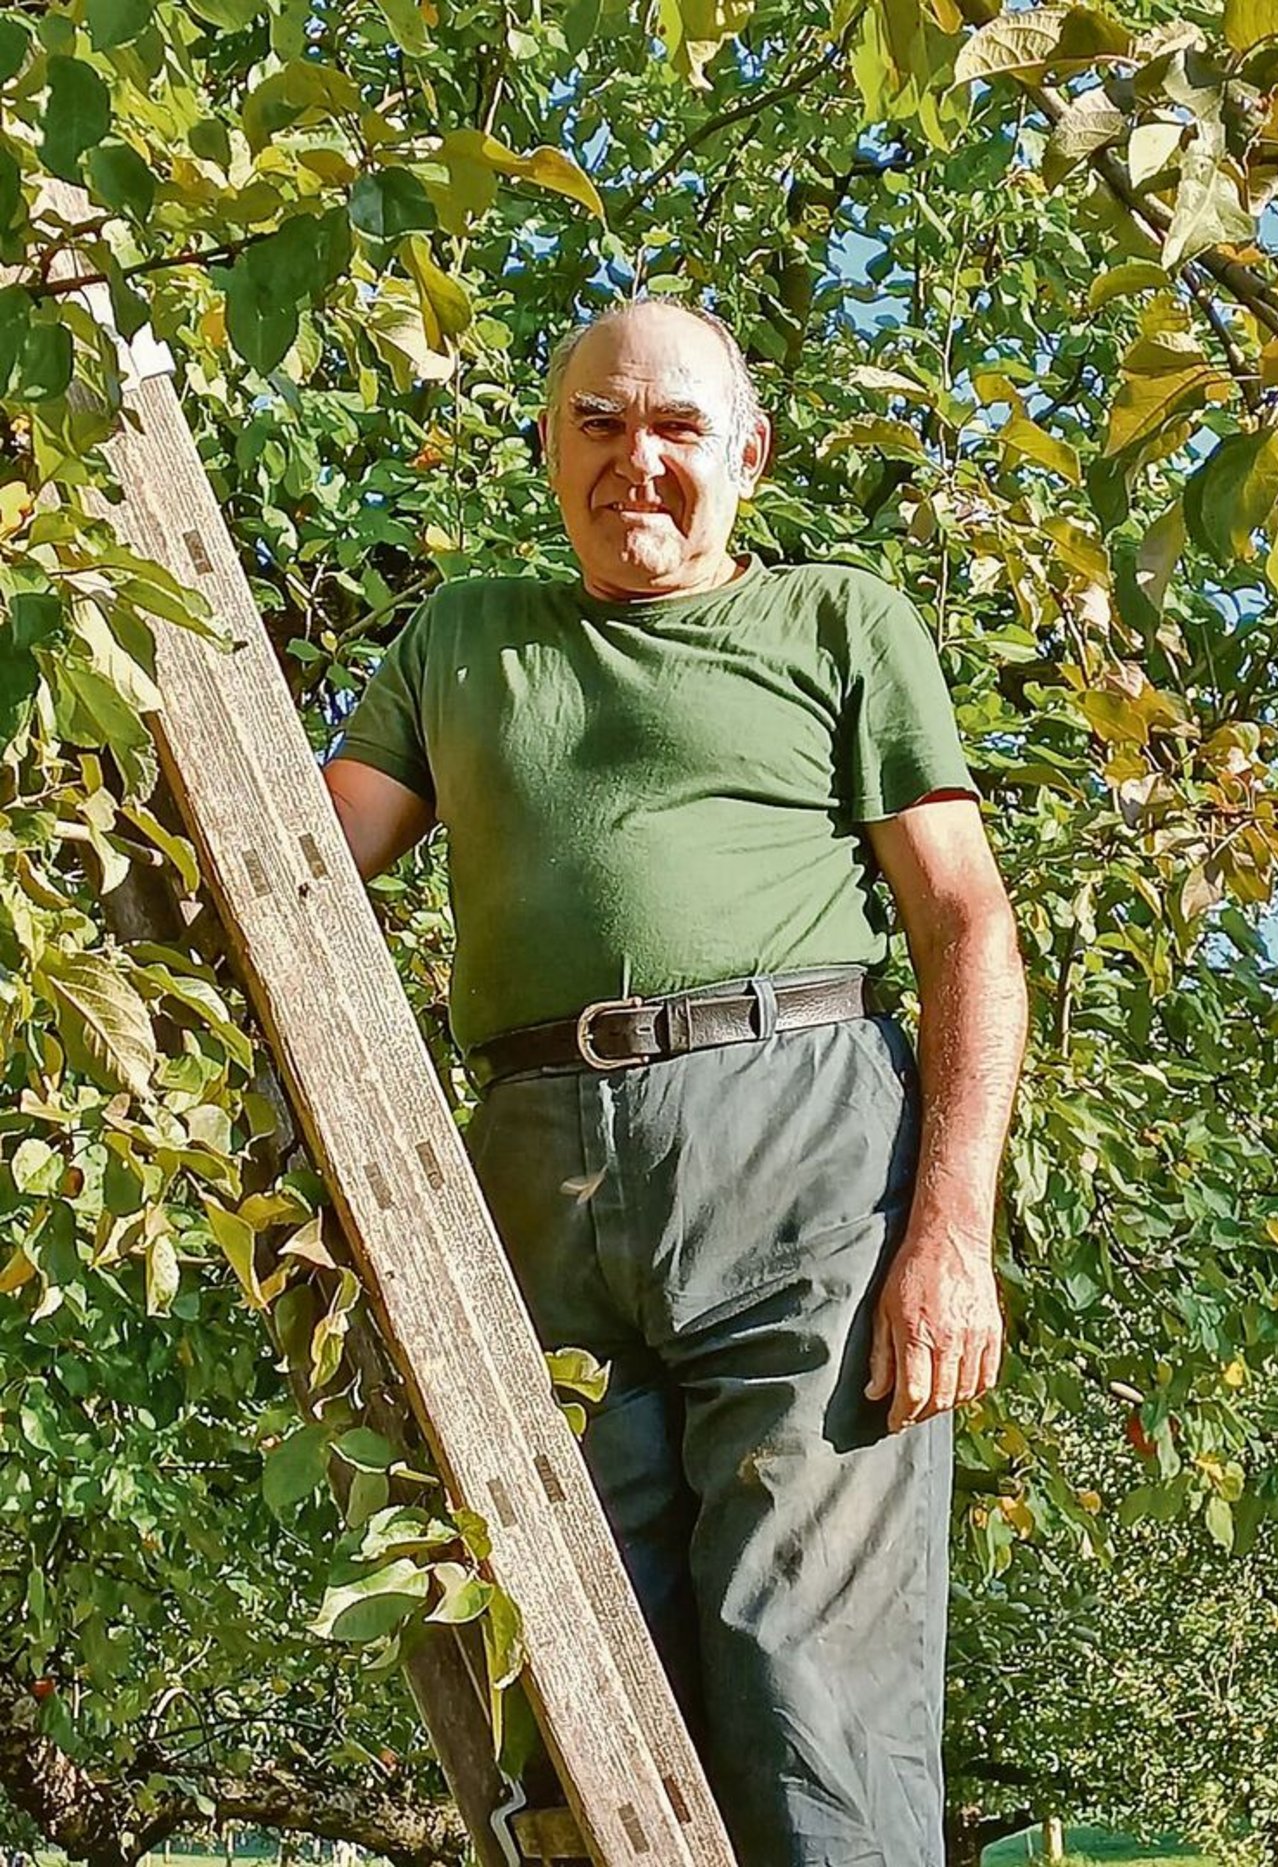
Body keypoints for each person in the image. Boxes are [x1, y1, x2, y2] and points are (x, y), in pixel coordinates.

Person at [324, 299, 1028, 1866]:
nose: (633, 461)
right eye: (598, 423)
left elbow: (967, 923)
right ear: (548, 445)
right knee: (582, 1680)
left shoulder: (836, 622)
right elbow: (295, 857)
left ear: (747, 456)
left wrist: (952, 1233)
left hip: (802, 1163)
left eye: (676, 429)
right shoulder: (463, 639)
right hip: (535, 1183)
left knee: (807, 1695)